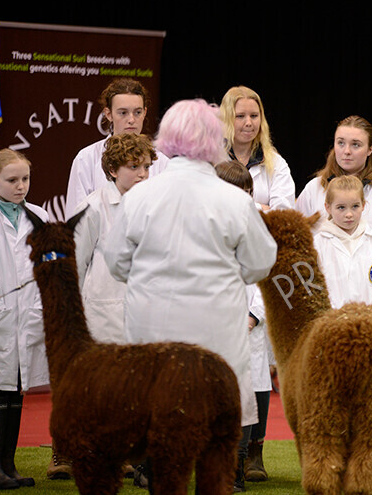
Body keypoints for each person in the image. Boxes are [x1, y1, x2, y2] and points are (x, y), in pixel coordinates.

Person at [102, 99, 278, 491]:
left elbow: (116, 264)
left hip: (154, 342)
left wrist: (152, 283)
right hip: (216, 344)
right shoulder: (234, 200)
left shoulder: (139, 197)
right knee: (216, 450)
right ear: (215, 139)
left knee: (164, 446)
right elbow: (261, 263)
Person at [295, 115, 372, 285]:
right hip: (324, 292)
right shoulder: (314, 189)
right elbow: (298, 238)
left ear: (370, 149)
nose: (346, 151)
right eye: (340, 143)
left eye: (355, 144)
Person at [215, 159, 275, 485]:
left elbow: (272, 277)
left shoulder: (264, 223)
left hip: (250, 326)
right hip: (215, 325)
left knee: (249, 396)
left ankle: (238, 466)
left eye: (246, 191)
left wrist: (253, 317)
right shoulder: (205, 225)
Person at [0, 148, 50, 489]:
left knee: (16, 389)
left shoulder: (38, 215)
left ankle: (8, 463)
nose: (20, 186)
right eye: (12, 180)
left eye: (25, 179)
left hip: (25, 314)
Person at [73, 133, 157, 344]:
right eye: (133, 167)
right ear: (113, 170)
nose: (142, 174)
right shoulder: (92, 208)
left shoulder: (154, 205)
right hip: (104, 317)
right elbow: (76, 265)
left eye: (146, 167)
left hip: (146, 315)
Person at [65, 78, 168, 220]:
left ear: (145, 113)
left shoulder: (162, 162)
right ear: (108, 114)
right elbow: (75, 220)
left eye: (137, 112)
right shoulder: (87, 158)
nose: (131, 119)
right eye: (123, 113)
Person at [313, 175, 372, 314]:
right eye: (341, 207)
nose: (349, 214)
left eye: (355, 206)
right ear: (328, 207)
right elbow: (313, 293)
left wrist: (371, 320)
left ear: (364, 205)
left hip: (371, 328)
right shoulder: (317, 246)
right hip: (331, 328)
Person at [219, 85, 296, 210]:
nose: (249, 123)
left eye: (254, 116)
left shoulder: (277, 164)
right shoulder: (211, 160)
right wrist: (262, 208)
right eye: (240, 116)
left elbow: (282, 215)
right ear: (226, 118)